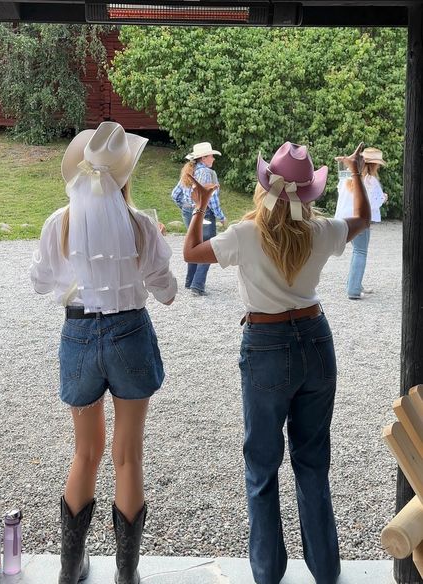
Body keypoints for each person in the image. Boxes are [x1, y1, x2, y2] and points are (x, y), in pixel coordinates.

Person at [183, 141, 370, 584]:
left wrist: (200, 208)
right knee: (312, 460)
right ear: (308, 194)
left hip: (265, 344)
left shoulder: (246, 235)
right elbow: (362, 220)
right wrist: (358, 175)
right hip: (315, 340)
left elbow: (191, 253)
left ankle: (268, 572)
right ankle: (325, 568)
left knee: (262, 463)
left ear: (265, 187)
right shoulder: (320, 231)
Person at [30, 122, 177, 584]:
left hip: (77, 335)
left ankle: (70, 568)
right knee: (128, 456)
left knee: (85, 452)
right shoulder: (139, 224)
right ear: (125, 175)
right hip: (129, 332)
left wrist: (74, 280)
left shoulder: (60, 221)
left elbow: (39, 282)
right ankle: (126, 574)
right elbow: (167, 292)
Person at [171, 141, 227, 295]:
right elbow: (212, 198)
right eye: (211, 156)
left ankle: (190, 282)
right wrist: (221, 216)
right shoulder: (208, 174)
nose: (213, 159)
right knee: (208, 248)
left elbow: (175, 194)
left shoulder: (189, 172)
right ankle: (197, 285)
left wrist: (185, 208)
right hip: (204, 214)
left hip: (189, 212)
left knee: (193, 245)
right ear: (203, 158)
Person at [335, 146, 388, 299]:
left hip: (344, 220)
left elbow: (340, 189)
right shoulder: (371, 181)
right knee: (360, 252)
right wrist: (384, 197)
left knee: (356, 252)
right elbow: (373, 203)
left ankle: (355, 283)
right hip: (360, 221)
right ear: (374, 165)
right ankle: (354, 290)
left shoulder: (347, 178)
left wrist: (344, 161)